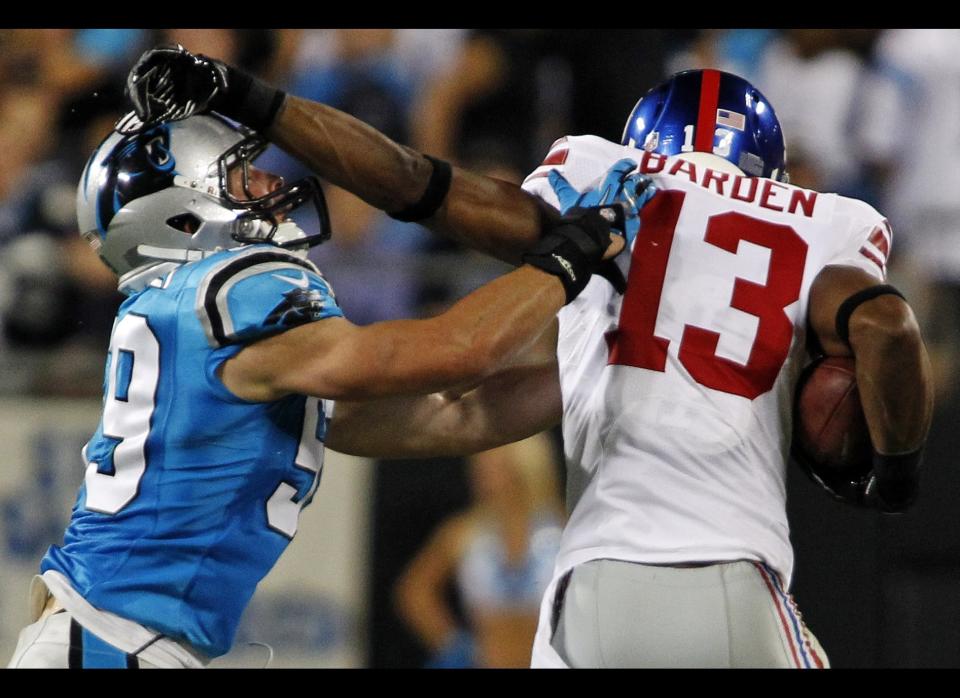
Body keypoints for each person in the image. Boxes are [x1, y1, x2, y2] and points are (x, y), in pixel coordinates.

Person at [122, 47, 934, 667]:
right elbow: (888, 330)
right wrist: (895, 465)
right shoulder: (824, 222)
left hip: (582, 597)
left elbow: (413, 185)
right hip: (723, 566)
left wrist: (253, 100)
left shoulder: (605, 183)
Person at [5, 102, 642, 667]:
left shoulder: (210, 324)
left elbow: (458, 414)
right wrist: (567, 258)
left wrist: (631, 363)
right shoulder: (224, 293)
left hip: (116, 640)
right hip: (111, 641)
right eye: (238, 174)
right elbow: (455, 354)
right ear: (179, 216)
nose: (269, 182)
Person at [394, 434, 563, 668]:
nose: (482, 476)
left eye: (496, 467)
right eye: (481, 467)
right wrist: (458, 646)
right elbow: (413, 592)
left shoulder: (562, 531)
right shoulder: (464, 534)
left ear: (523, 465)